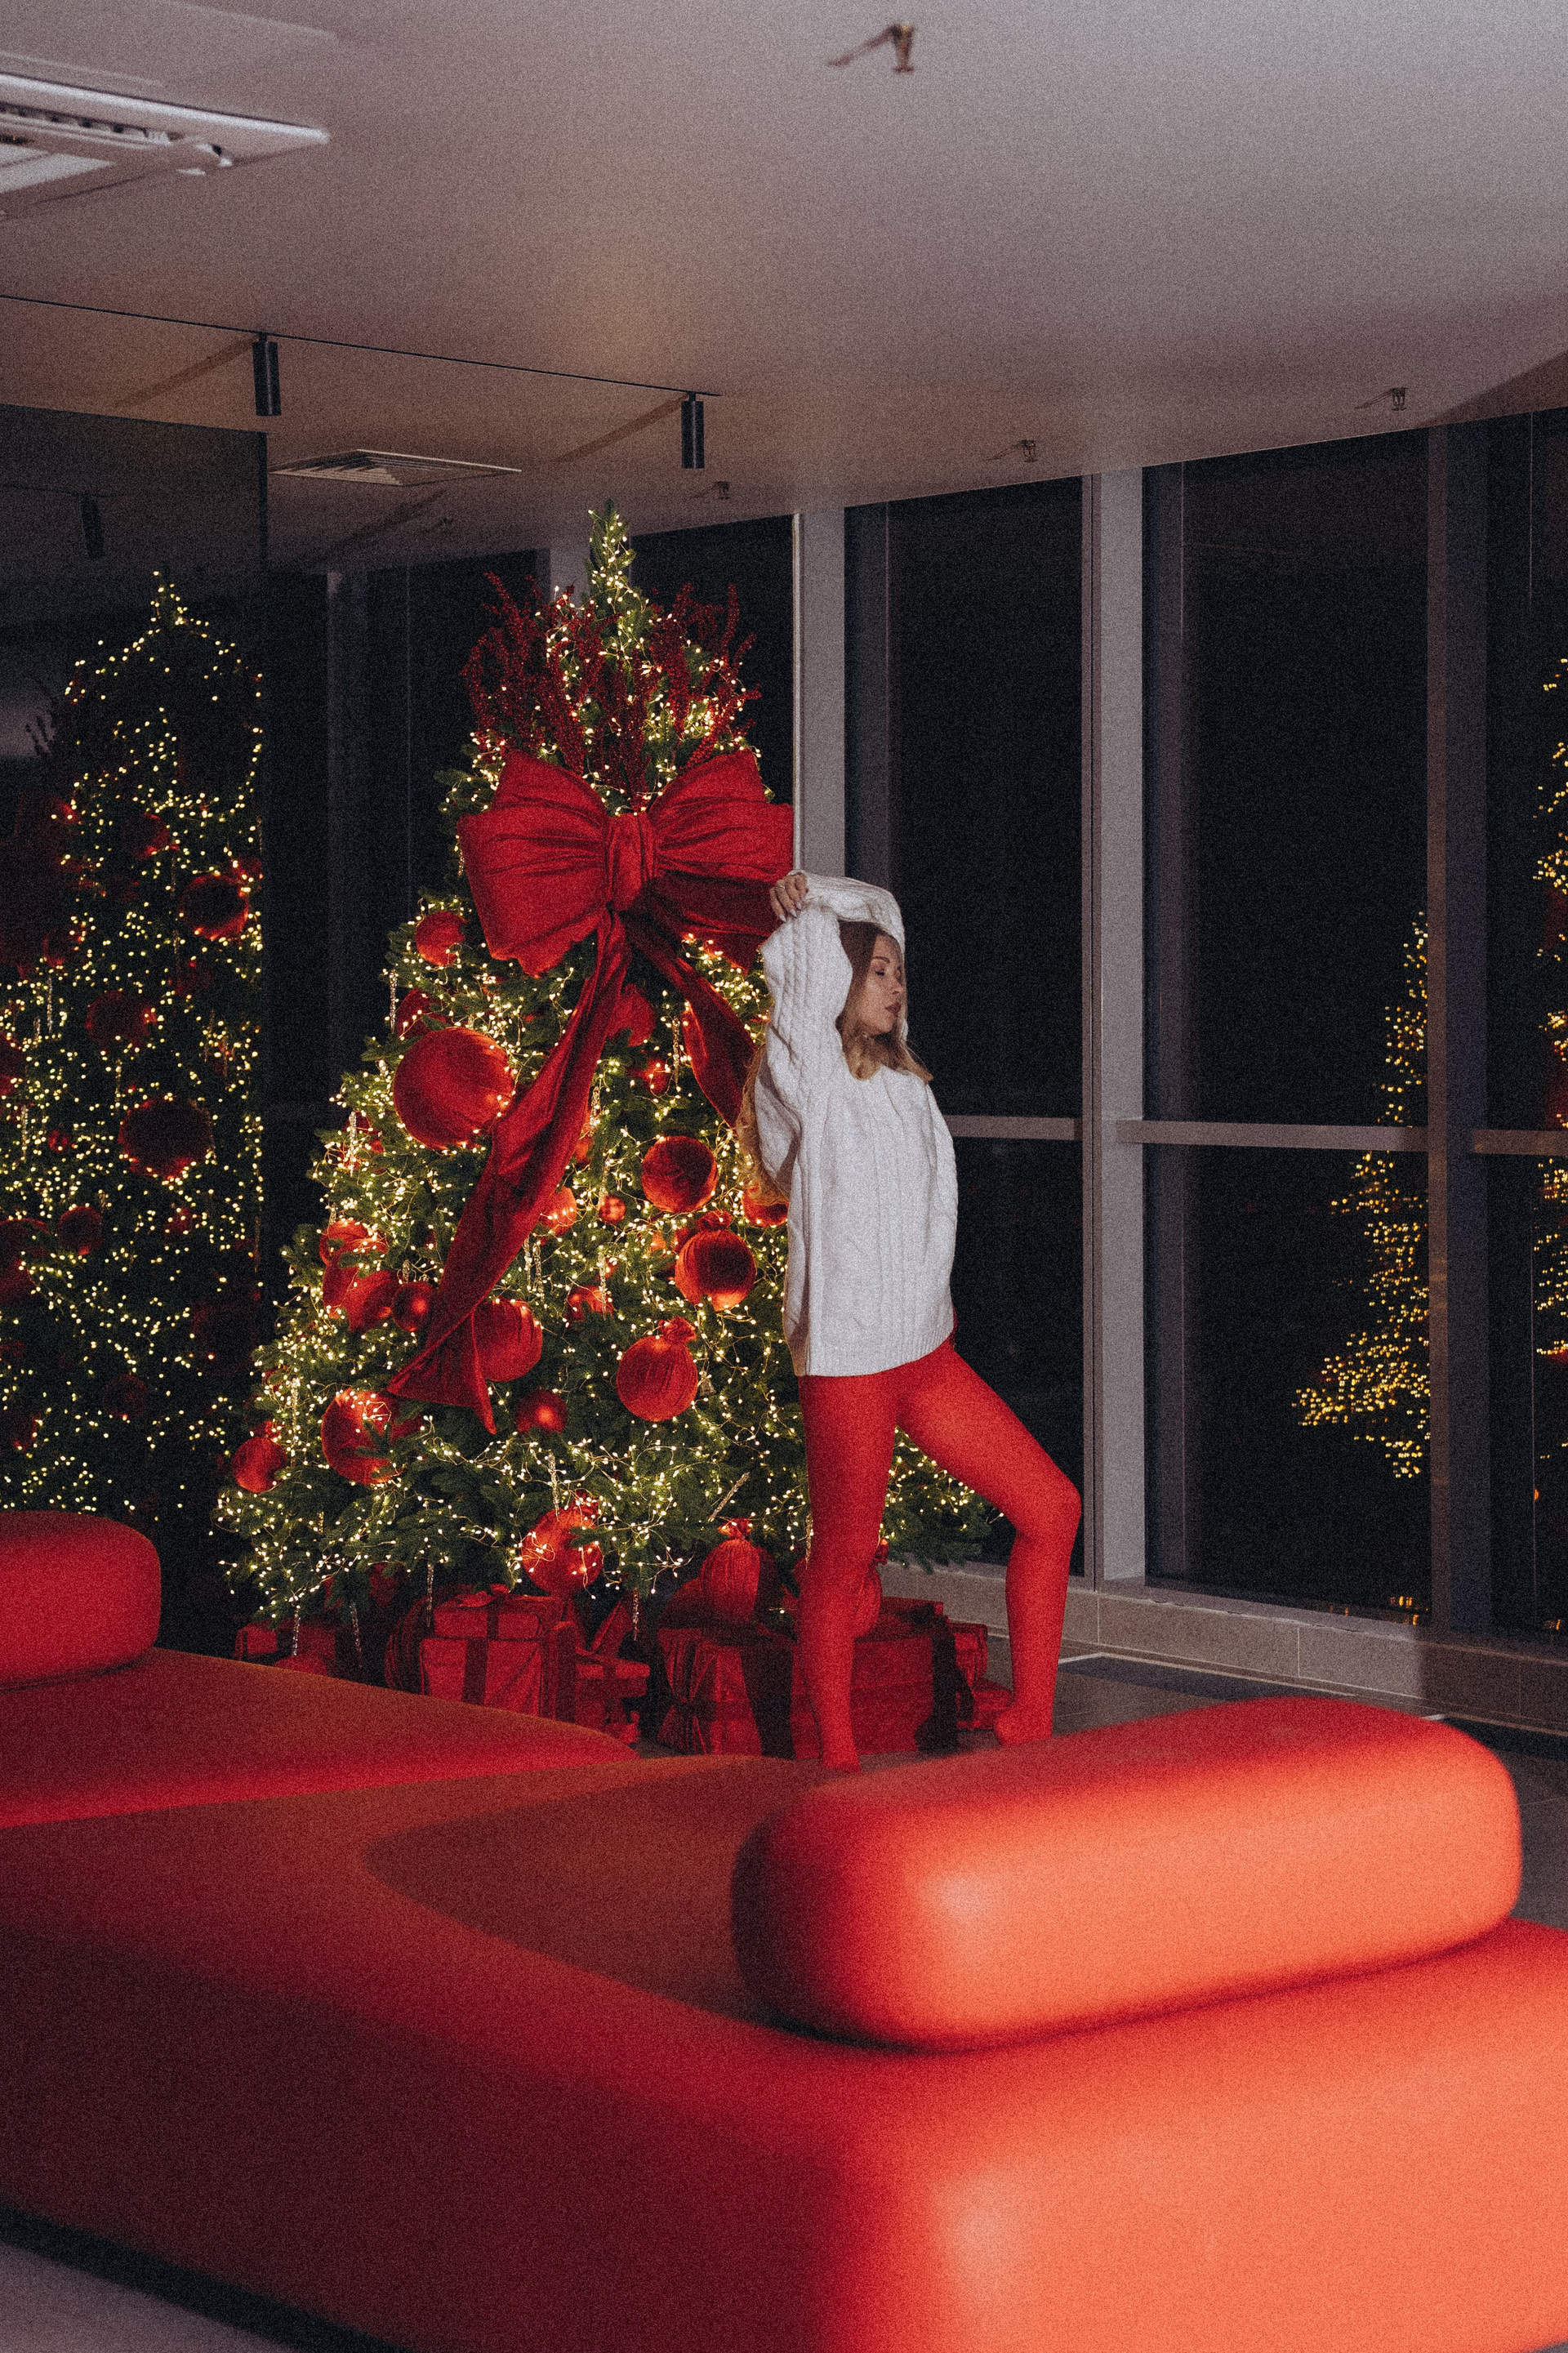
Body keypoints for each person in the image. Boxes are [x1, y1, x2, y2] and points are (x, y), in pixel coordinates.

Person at [742, 867, 1081, 1771]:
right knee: (844, 1557)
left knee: (1053, 1508)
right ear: (836, 976)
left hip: (927, 1354)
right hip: (850, 1363)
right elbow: (814, 970)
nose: (896, 984)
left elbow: (884, 907)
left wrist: (840, 899)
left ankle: (1034, 1718)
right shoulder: (810, 1079)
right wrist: (808, 906)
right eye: (878, 970)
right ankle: (838, 1761)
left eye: (900, 972)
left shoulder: (907, 1085)